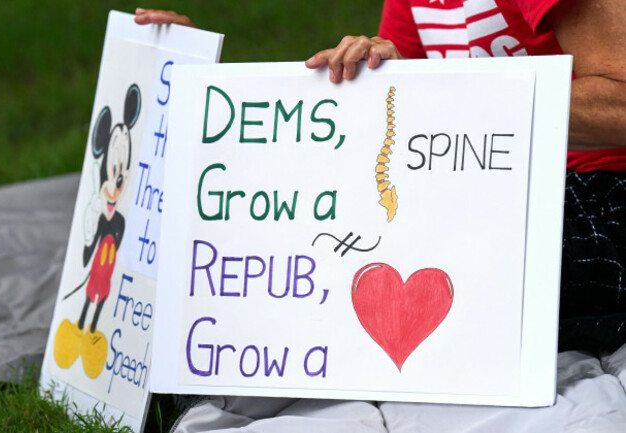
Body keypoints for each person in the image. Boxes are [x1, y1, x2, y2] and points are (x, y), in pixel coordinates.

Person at [135, 1, 626, 352]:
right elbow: (400, 129)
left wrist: (450, 97)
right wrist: (199, 74)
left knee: (462, 279)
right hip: (490, 184)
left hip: (601, 196)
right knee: (305, 252)